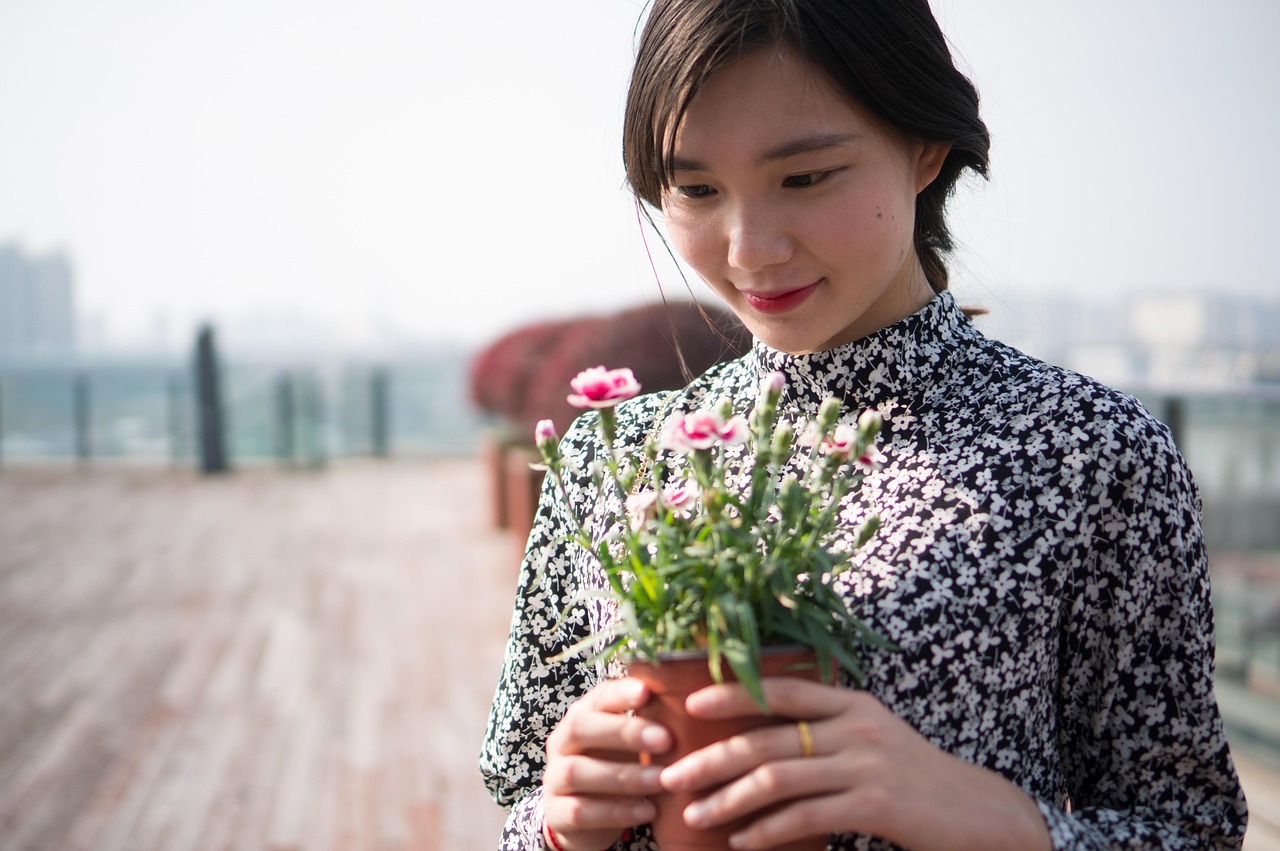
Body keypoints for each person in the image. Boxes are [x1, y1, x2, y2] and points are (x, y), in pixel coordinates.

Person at [480, 0, 1250, 848]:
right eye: (696, 189)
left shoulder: (1092, 452)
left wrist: (1007, 825)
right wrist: (554, 825)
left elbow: (1192, 825)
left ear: (924, 148)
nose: (749, 248)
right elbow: (520, 779)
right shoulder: (611, 459)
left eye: (804, 177)